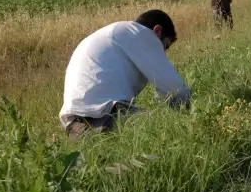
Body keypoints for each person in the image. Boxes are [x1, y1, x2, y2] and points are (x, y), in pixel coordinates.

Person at [59, 9, 192, 139]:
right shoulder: (141, 34)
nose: (162, 53)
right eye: (165, 47)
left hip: (74, 127)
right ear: (157, 32)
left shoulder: (113, 34)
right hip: (103, 117)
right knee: (167, 127)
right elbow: (175, 90)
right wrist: (190, 111)